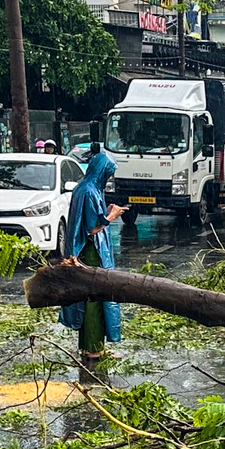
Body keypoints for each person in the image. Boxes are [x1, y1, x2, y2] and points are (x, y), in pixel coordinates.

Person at [60, 153, 126, 360]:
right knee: (94, 301)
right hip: (91, 252)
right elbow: (92, 228)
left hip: (84, 251)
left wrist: (106, 211)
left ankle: (91, 345)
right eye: (109, 174)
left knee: (89, 299)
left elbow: (90, 218)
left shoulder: (84, 188)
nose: (109, 178)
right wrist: (112, 216)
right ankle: (93, 349)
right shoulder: (89, 192)